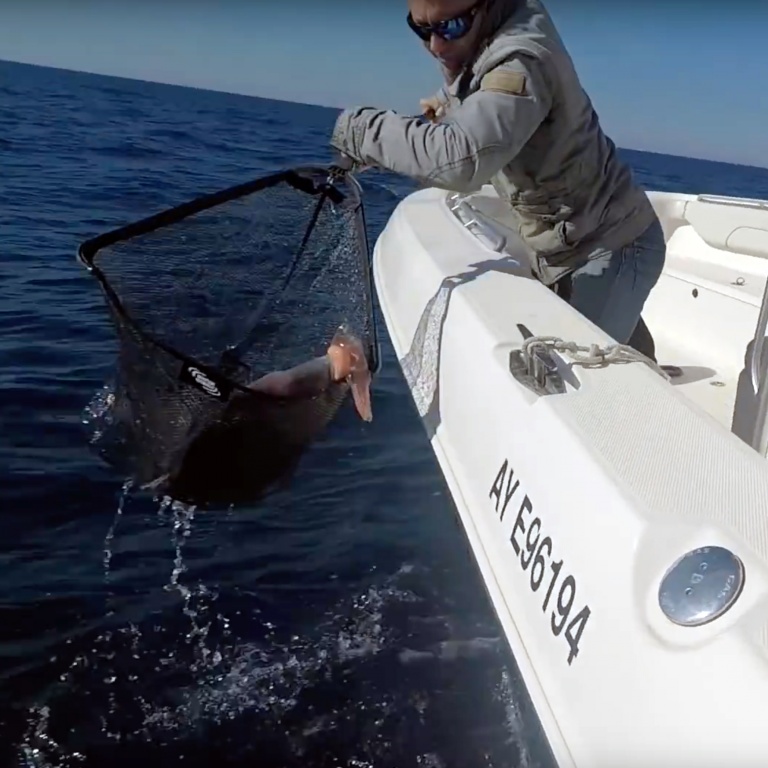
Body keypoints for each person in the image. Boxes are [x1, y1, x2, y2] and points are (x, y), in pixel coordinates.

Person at [329, 0, 666, 352]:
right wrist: (443, 113)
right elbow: (476, 107)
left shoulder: (522, 60)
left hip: (610, 245)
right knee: (628, 359)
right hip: (569, 247)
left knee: (580, 380)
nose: (436, 46)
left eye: (450, 27)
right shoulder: (487, 36)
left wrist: (360, 132)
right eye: (422, 30)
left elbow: (461, 161)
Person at [143, 327, 373, 507]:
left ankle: (340, 367)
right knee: (269, 393)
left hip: (249, 460)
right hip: (253, 445)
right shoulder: (259, 406)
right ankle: (341, 365)